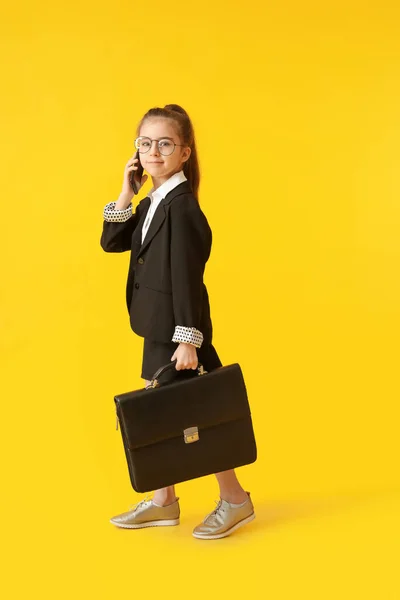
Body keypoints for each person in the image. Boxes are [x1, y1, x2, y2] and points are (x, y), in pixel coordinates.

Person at [100, 104, 255, 539]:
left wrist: (187, 340)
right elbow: (112, 242)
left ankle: (236, 499)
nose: (154, 151)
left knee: (202, 413)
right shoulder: (154, 199)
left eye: (165, 143)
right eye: (145, 143)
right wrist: (126, 192)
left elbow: (189, 279)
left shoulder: (183, 209)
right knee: (165, 413)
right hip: (158, 327)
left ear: (185, 152)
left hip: (180, 332)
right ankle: (164, 501)